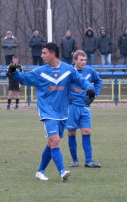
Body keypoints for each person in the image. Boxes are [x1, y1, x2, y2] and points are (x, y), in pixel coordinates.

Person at [8, 42, 95, 182]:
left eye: (44, 53)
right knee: (55, 140)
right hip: (47, 111)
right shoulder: (40, 72)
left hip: (62, 112)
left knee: (51, 142)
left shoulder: (68, 70)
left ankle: (40, 171)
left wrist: (90, 88)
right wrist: (14, 73)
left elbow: (81, 81)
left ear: (52, 54)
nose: (41, 56)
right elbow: (25, 78)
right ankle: (62, 172)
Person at [66, 50, 102, 168]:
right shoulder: (68, 71)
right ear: (74, 60)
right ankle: (75, 160)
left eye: (85, 60)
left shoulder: (89, 71)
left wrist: (94, 95)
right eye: (81, 60)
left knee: (86, 131)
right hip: (72, 107)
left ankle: (89, 161)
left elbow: (98, 81)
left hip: (85, 106)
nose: (83, 62)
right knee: (71, 133)